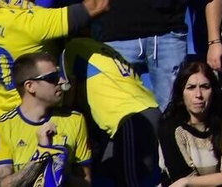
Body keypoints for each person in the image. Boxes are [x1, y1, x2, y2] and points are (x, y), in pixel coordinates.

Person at [60, 38, 161, 187]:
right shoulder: (101, 47)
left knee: (131, 182)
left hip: (128, 116)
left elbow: (68, 91)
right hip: (148, 108)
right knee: (107, 171)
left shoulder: (72, 47)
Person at [0, 52, 92, 187]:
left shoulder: (75, 120)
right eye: (53, 78)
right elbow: (1, 185)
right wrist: (41, 155)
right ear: (30, 86)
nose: (62, 81)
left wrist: (61, 175)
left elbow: (86, 183)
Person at [158, 60, 222, 187]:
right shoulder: (169, 128)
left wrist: (187, 182)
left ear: (213, 91)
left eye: (205, 87)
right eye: (191, 87)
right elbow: (182, 180)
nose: (198, 95)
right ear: (181, 93)